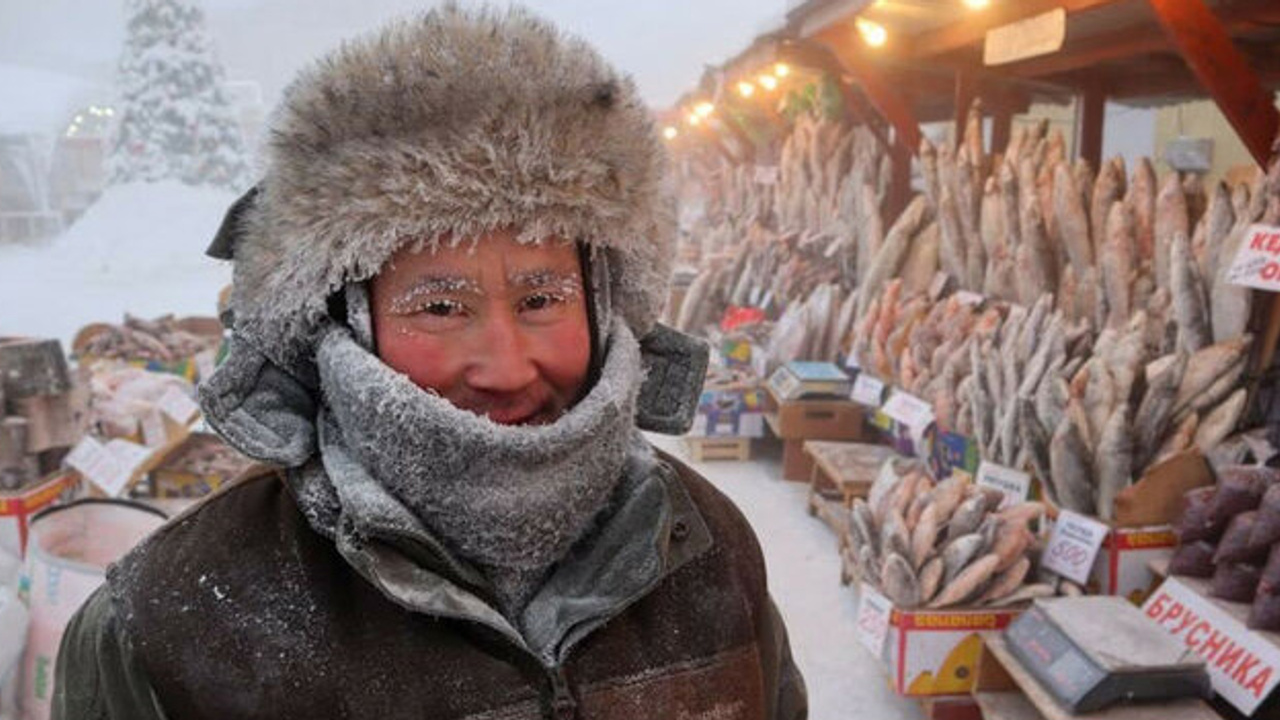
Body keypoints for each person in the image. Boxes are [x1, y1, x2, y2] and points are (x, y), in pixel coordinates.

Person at [53, 5, 807, 719]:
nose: (507, 368)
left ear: (604, 301)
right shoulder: (167, 625)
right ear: (343, 322)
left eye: (542, 298)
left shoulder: (706, 548)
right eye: (440, 308)